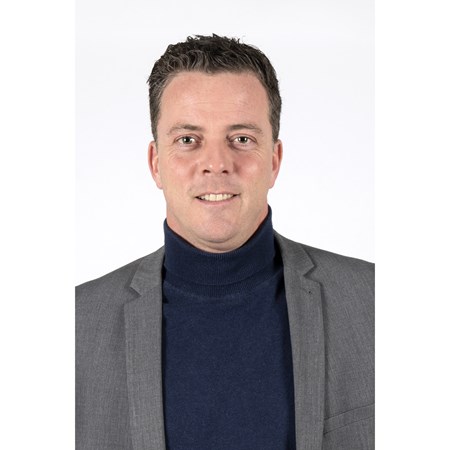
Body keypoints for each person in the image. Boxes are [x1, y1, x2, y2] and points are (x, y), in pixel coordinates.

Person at [76, 34, 374, 450]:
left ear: (274, 161)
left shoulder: (377, 302)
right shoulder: (73, 326)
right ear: (156, 164)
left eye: (241, 139)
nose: (216, 164)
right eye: (188, 140)